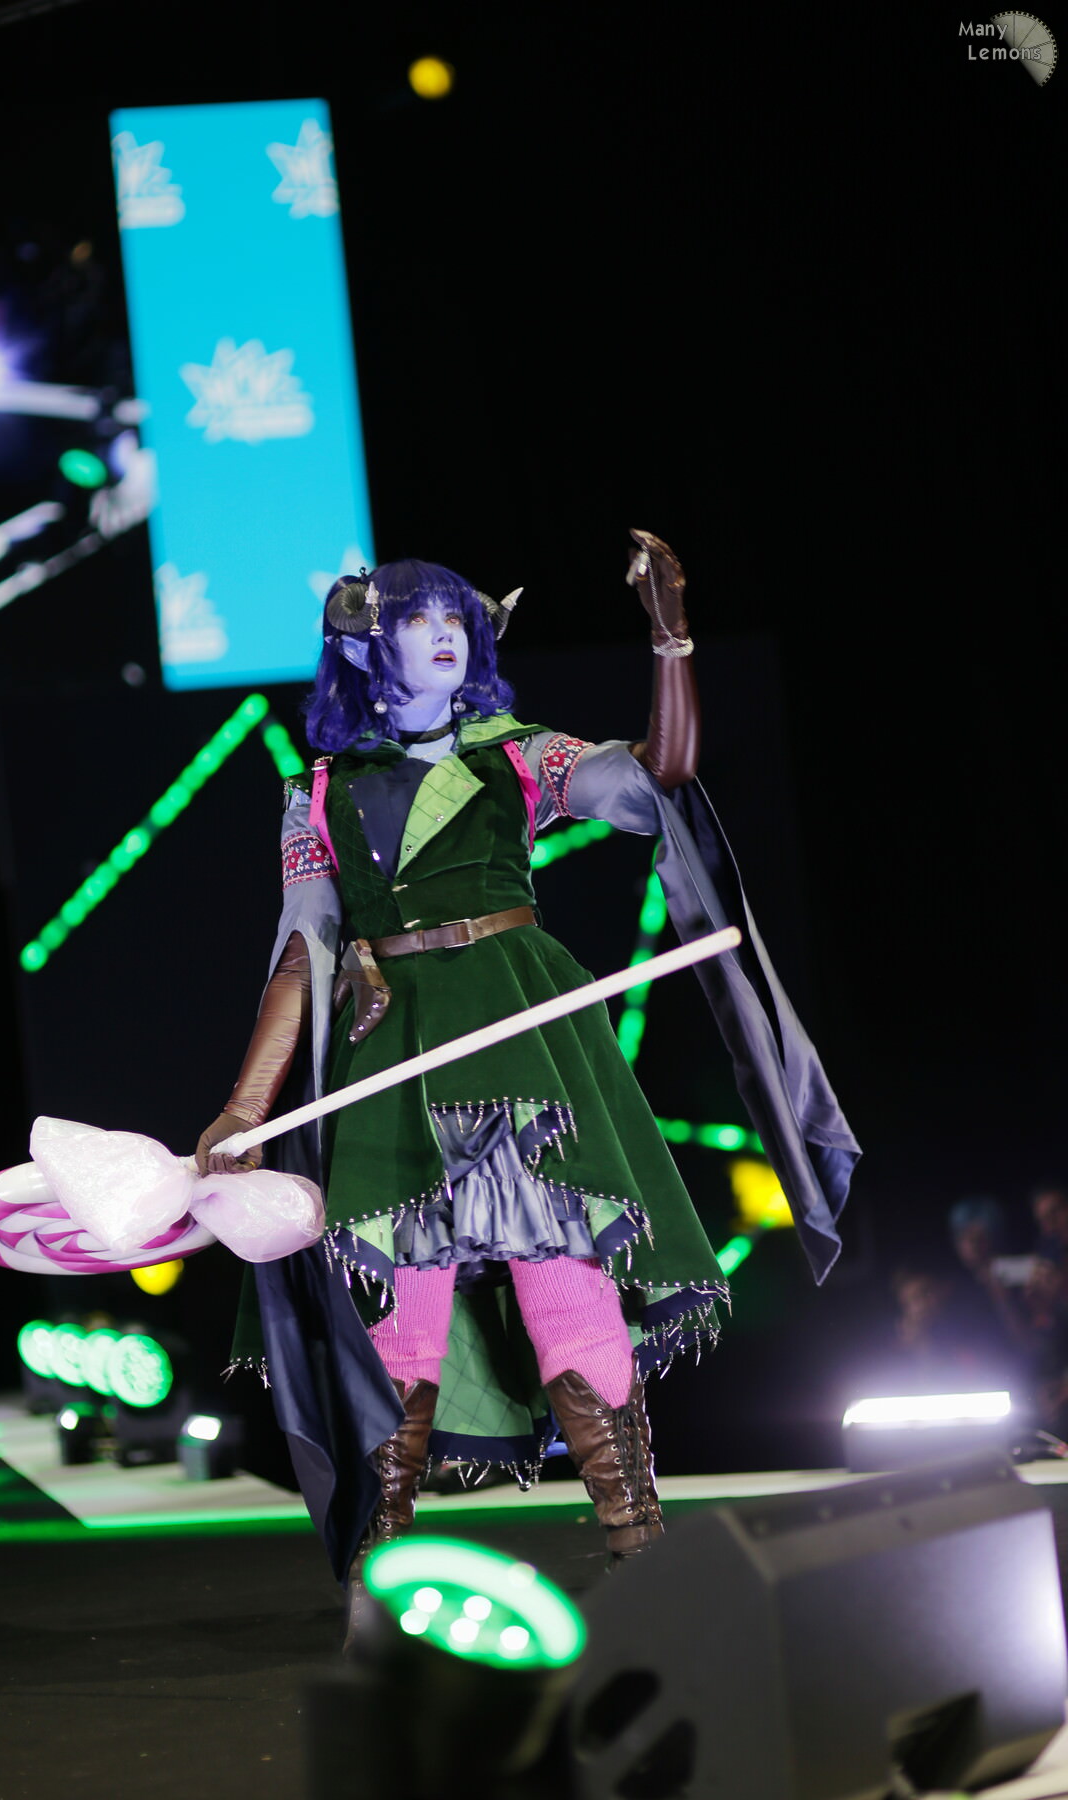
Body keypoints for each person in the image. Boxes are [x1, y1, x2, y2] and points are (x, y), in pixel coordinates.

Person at [194, 531, 859, 1594]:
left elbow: (661, 775)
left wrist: (670, 640)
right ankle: (380, 1574)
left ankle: (645, 1563)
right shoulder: (315, 793)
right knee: (401, 1304)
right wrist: (243, 1107)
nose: (446, 636)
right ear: (364, 647)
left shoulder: (518, 755)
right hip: (395, 1052)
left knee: (567, 1279)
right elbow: (302, 957)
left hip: (521, 1033)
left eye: (457, 620)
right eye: (420, 619)